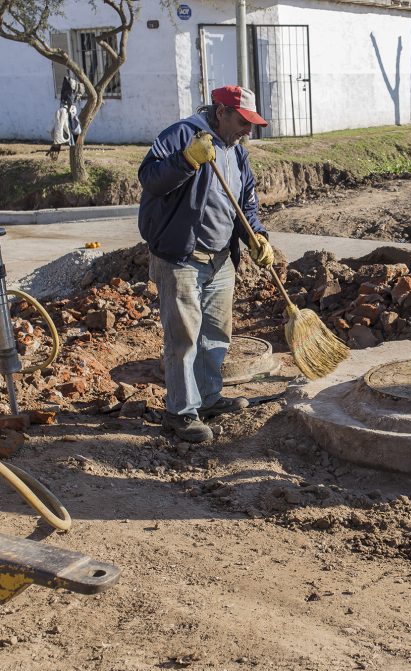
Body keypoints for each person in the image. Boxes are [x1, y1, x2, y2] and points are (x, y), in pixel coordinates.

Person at [138, 85, 275, 443]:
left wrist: (256, 237)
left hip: (219, 258)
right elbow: (149, 179)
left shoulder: (237, 152)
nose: (249, 131)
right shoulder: (182, 135)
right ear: (221, 112)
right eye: (244, 122)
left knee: (215, 333)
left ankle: (208, 398)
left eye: (252, 124)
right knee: (183, 339)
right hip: (181, 257)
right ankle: (181, 414)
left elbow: (246, 204)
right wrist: (186, 160)